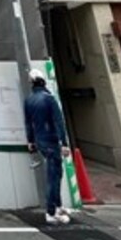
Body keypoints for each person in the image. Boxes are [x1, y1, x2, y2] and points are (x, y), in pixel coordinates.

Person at [24, 67, 72, 224]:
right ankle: (51, 212)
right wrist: (64, 143)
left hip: (40, 140)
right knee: (54, 176)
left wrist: (30, 141)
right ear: (43, 81)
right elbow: (59, 121)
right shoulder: (49, 98)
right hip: (51, 140)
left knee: (57, 173)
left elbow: (28, 123)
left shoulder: (29, 100)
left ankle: (58, 206)